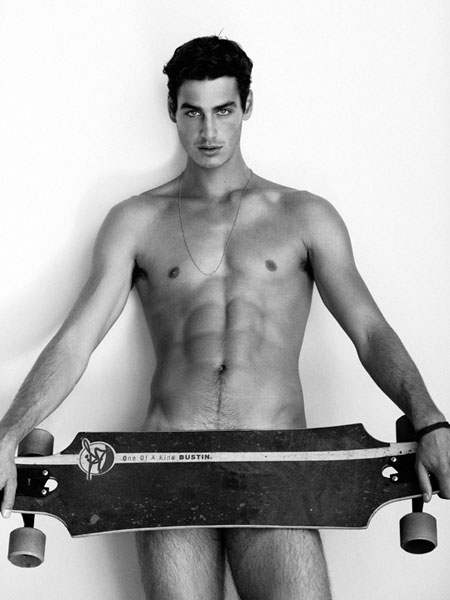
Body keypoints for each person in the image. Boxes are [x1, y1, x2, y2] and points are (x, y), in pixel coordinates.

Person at [0, 35, 449, 600]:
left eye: (224, 111)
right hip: (165, 466)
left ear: (247, 106)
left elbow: (369, 330)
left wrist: (430, 421)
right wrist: (8, 433)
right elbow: (76, 341)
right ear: (173, 111)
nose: (209, 131)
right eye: (193, 112)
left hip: (277, 464)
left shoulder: (304, 216)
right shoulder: (136, 221)